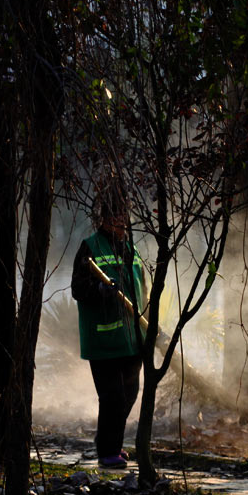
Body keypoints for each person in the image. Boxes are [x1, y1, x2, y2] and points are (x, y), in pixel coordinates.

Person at [70, 196, 146, 469]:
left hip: (132, 339)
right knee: (112, 396)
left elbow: (142, 291)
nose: (121, 223)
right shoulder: (90, 247)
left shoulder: (131, 249)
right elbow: (78, 289)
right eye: (115, 217)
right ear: (104, 219)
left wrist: (150, 321)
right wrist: (100, 291)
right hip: (103, 340)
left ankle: (111, 442)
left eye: (124, 217)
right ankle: (107, 452)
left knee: (131, 392)